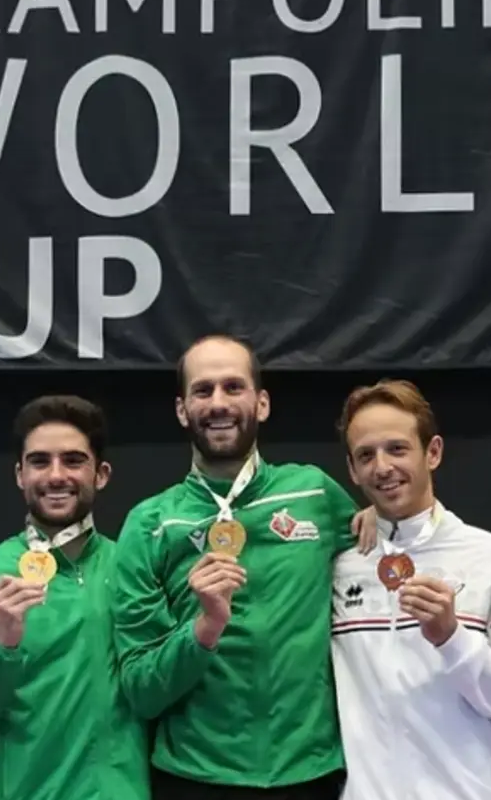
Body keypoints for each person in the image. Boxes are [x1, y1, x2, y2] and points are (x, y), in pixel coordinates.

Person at [111, 334, 375, 800]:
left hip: (309, 773)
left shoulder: (314, 494)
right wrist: (203, 629)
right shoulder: (150, 524)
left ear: (262, 402)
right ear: (181, 409)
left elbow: (406, 552)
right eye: (203, 390)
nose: (218, 403)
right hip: (195, 777)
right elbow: (140, 690)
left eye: (233, 387)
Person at [0, 394, 149, 800]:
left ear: (101, 474)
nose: (56, 476)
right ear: (19, 474)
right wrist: (1, 646)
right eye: (39, 462)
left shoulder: (132, 567)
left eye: (72, 461)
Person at [330, 380, 491, 800]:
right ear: (352, 470)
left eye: (398, 449)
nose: (382, 467)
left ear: (433, 452)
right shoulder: (340, 567)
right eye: (366, 455)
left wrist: (453, 639)